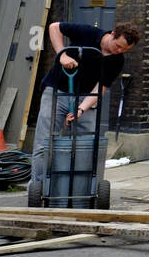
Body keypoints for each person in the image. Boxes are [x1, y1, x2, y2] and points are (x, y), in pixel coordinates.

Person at [30, 21, 140, 194]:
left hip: (86, 97)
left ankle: (81, 191)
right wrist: (62, 55)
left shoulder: (117, 60)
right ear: (112, 34)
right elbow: (54, 27)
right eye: (118, 46)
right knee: (45, 142)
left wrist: (80, 109)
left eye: (124, 50)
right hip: (56, 91)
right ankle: (39, 189)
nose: (119, 51)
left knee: (87, 144)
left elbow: (101, 88)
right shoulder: (87, 32)